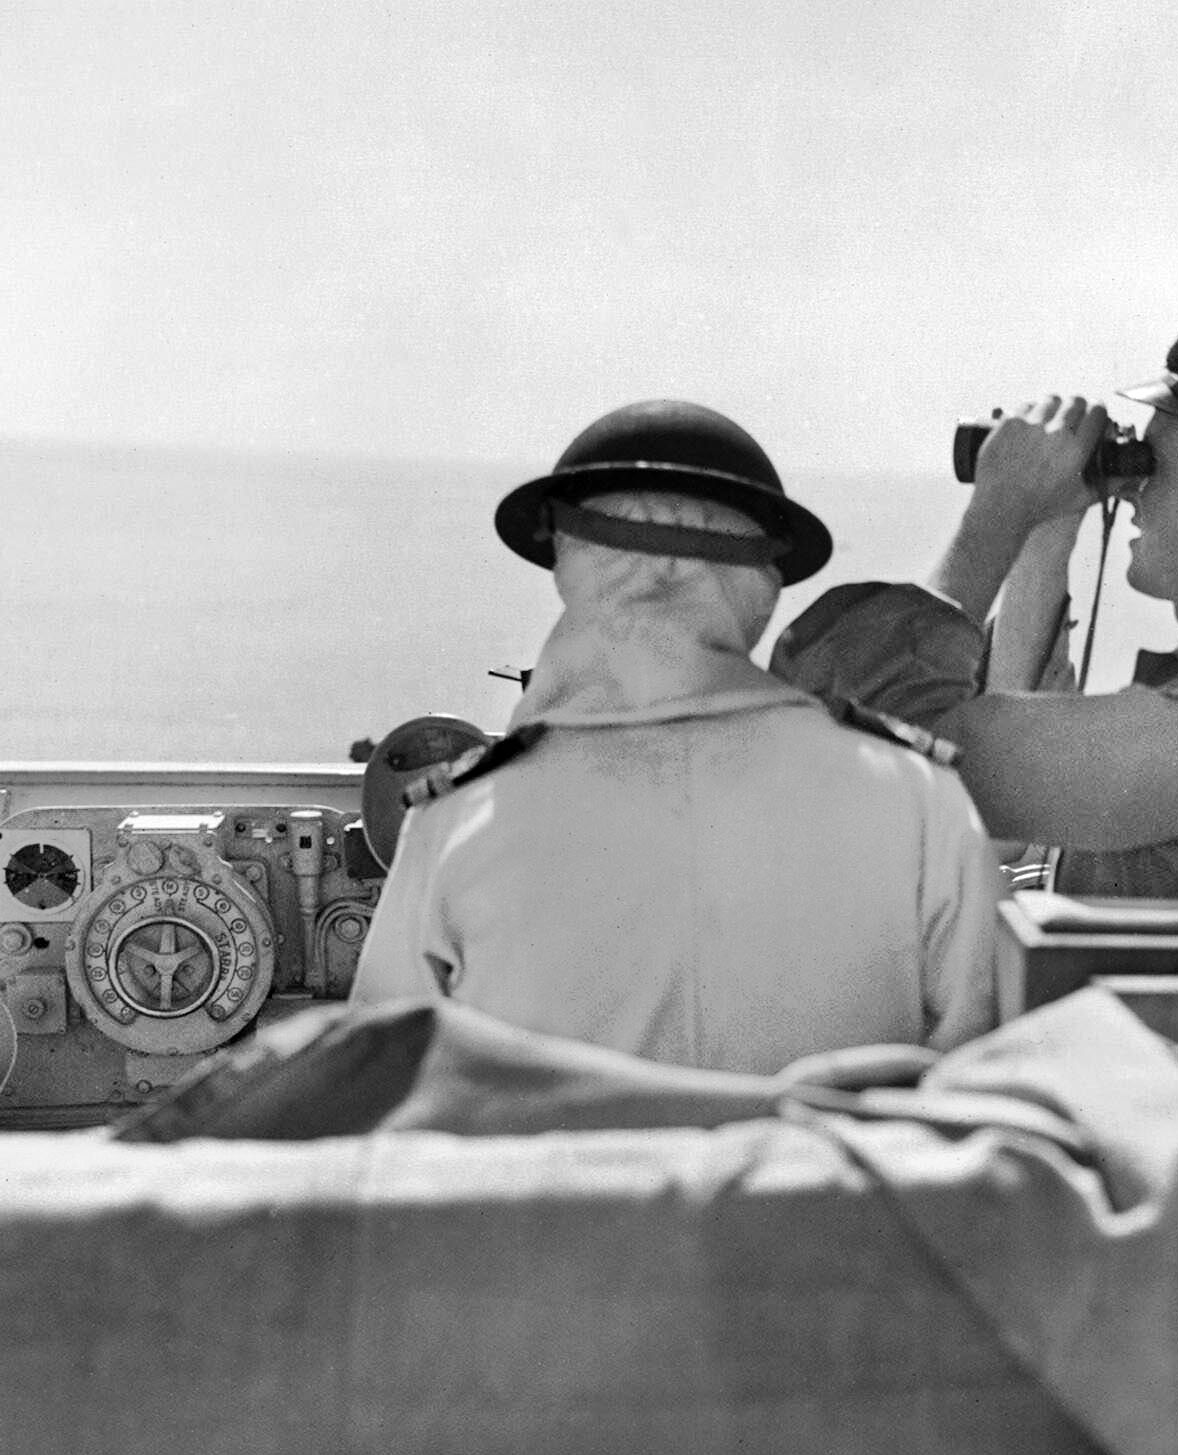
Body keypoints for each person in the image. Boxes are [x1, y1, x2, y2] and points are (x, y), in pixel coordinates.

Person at [349, 400, 1001, 1075]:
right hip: (820, 1177)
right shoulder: (917, 799)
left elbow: (375, 1084)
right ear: (764, 585)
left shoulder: (456, 825)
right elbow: (982, 1065)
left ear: (568, 565)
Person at [772, 287, 1178, 898]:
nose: (1128, 490)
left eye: (1149, 465)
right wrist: (1050, 528)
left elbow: (874, 754)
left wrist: (997, 517)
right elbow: (1010, 789)